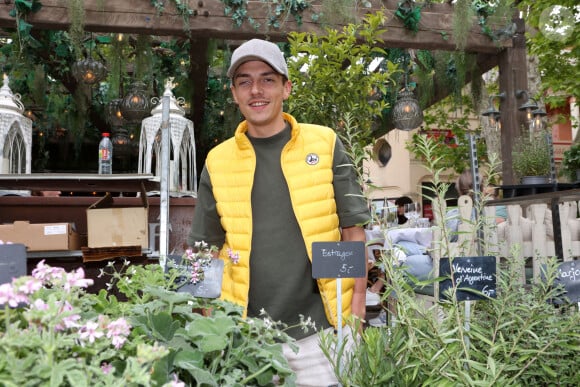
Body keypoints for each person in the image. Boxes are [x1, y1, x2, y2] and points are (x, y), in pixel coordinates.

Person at [188, 38, 371, 386]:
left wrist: (356, 306)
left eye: (268, 79)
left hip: (323, 331)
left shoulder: (324, 143)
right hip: (246, 337)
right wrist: (208, 321)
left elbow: (350, 227)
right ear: (234, 93)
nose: (256, 90)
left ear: (286, 88)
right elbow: (201, 249)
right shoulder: (219, 160)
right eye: (245, 81)